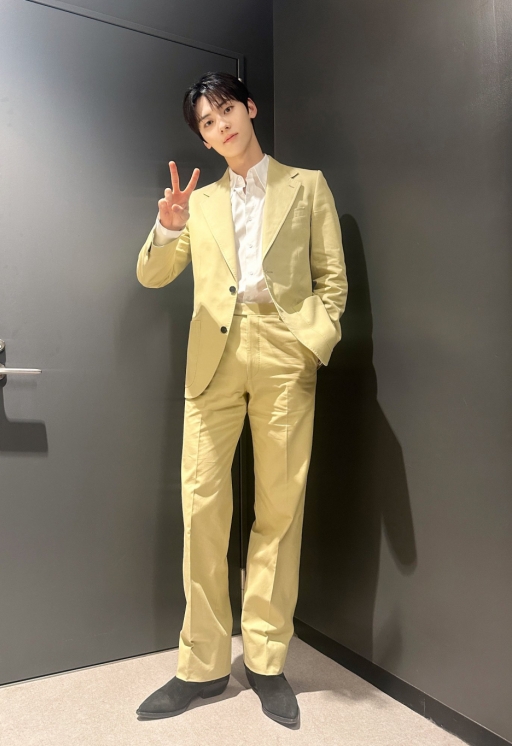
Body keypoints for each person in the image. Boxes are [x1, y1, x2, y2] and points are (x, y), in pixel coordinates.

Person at [135, 71, 348, 727]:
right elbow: (153, 275)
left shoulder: (306, 185)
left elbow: (332, 278)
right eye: (206, 121)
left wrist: (314, 340)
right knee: (202, 507)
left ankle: (265, 660)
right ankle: (201, 667)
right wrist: (166, 227)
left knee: (279, 508)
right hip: (214, 358)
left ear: (249, 109)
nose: (220, 125)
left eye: (226, 110)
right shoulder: (197, 204)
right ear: (202, 137)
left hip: (284, 349)